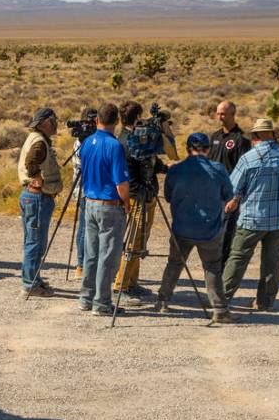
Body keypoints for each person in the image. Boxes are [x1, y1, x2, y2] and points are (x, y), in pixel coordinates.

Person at [155, 133, 235, 322]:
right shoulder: (218, 169)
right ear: (208, 149)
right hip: (210, 230)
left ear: (187, 148)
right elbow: (228, 194)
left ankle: (162, 301)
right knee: (212, 268)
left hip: (182, 228)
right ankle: (220, 309)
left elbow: (167, 196)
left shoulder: (176, 170)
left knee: (174, 264)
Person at [222, 119, 279, 311]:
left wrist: (237, 198)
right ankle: (265, 302)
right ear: (273, 135)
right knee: (272, 261)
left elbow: (232, 188)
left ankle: (222, 299)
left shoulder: (249, 158)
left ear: (255, 137)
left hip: (252, 219)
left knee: (238, 258)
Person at [114, 101, 178, 305]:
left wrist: (164, 168)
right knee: (133, 240)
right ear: (137, 117)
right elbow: (128, 174)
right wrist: (141, 191)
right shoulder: (126, 141)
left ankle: (132, 283)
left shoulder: (136, 138)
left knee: (141, 239)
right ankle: (120, 287)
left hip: (146, 194)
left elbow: (148, 160)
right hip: (137, 197)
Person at [78, 104, 130, 316]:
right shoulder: (114, 146)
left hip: (89, 202)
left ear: (97, 120)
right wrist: (126, 201)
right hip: (109, 205)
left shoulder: (87, 142)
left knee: (91, 253)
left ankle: (86, 297)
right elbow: (121, 183)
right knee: (108, 255)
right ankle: (102, 302)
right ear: (116, 121)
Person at [17, 107, 62, 298]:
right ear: (44, 123)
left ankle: (33, 278)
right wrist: (37, 179)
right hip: (37, 197)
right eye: (53, 121)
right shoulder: (39, 142)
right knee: (35, 243)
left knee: (34, 241)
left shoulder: (38, 139)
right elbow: (31, 162)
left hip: (34, 197)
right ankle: (29, 284)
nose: (55, 124)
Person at [209, 101, 252, 267]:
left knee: (227, 232)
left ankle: (222, 268)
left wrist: (238, 198)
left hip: (229, 195)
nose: (220, 117)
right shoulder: (214, 137)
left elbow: (245, 171)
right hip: (212, 193)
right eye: (218, 113)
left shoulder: (241, 140)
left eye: (223, 114)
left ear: (233, 115)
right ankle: (211, 264)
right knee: (211, 231)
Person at [71, 108, 98, 279]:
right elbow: (82, 164)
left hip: (93, 189)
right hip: (83, 189)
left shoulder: (95, 139)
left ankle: (89, 263)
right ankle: (81, 265)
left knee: (90, 228)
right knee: (83, 228)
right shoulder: (80, 142)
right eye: (89, 121)